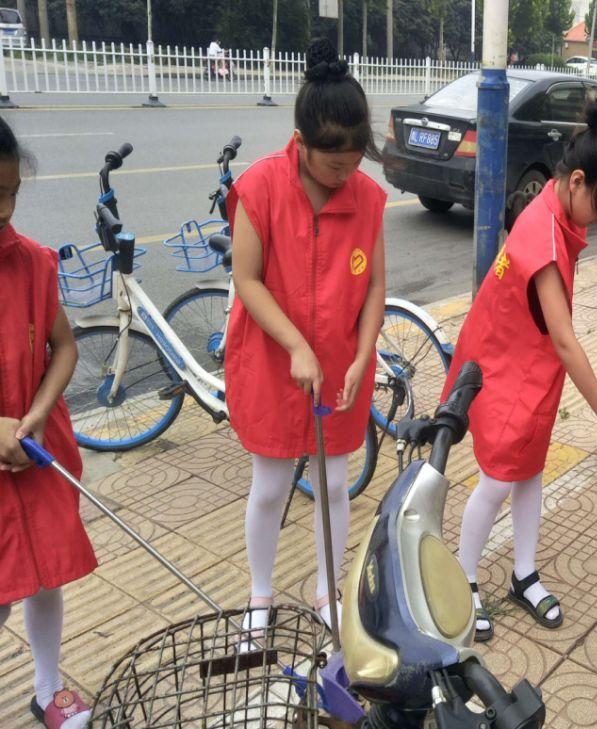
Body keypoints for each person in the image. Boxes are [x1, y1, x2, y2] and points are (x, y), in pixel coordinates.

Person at [445, 97, 597, 642]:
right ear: (576, 181)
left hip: (531, 364)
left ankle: (523, 572)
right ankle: (464, 578)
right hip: (503, 365)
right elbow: (568, 341)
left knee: (529, 469)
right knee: (499, 475)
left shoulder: (557, 208)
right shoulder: (545, 235)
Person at [225, 38, 386, 640]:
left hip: (341, 366)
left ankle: (328, 590)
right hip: (273, 361)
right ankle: (260, 594)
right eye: (334, 164)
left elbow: (373, 288)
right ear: (301, 143)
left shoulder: (368, 198)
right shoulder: (261, 187)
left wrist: (363, 353)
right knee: (269, 486)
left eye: (355, 162)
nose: (348, 175)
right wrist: (296, 344)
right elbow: (246, 279)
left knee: (335, 482)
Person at [0, 117, 96, 728]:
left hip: (34, 451)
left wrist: (35, 414)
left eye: (10, 193)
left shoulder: (33, 262)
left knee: (44, 575)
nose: (4, 209)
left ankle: (46, 687)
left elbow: (63, 346)